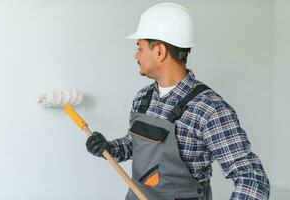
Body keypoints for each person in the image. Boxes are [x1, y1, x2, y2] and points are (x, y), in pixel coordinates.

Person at [86, 3, 270, 200]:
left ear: (159, 51)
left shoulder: (208, 109)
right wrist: (109, 148)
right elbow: (137, 147)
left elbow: (252, 179)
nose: (136, 55)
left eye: (140, 48)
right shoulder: (143, 99)